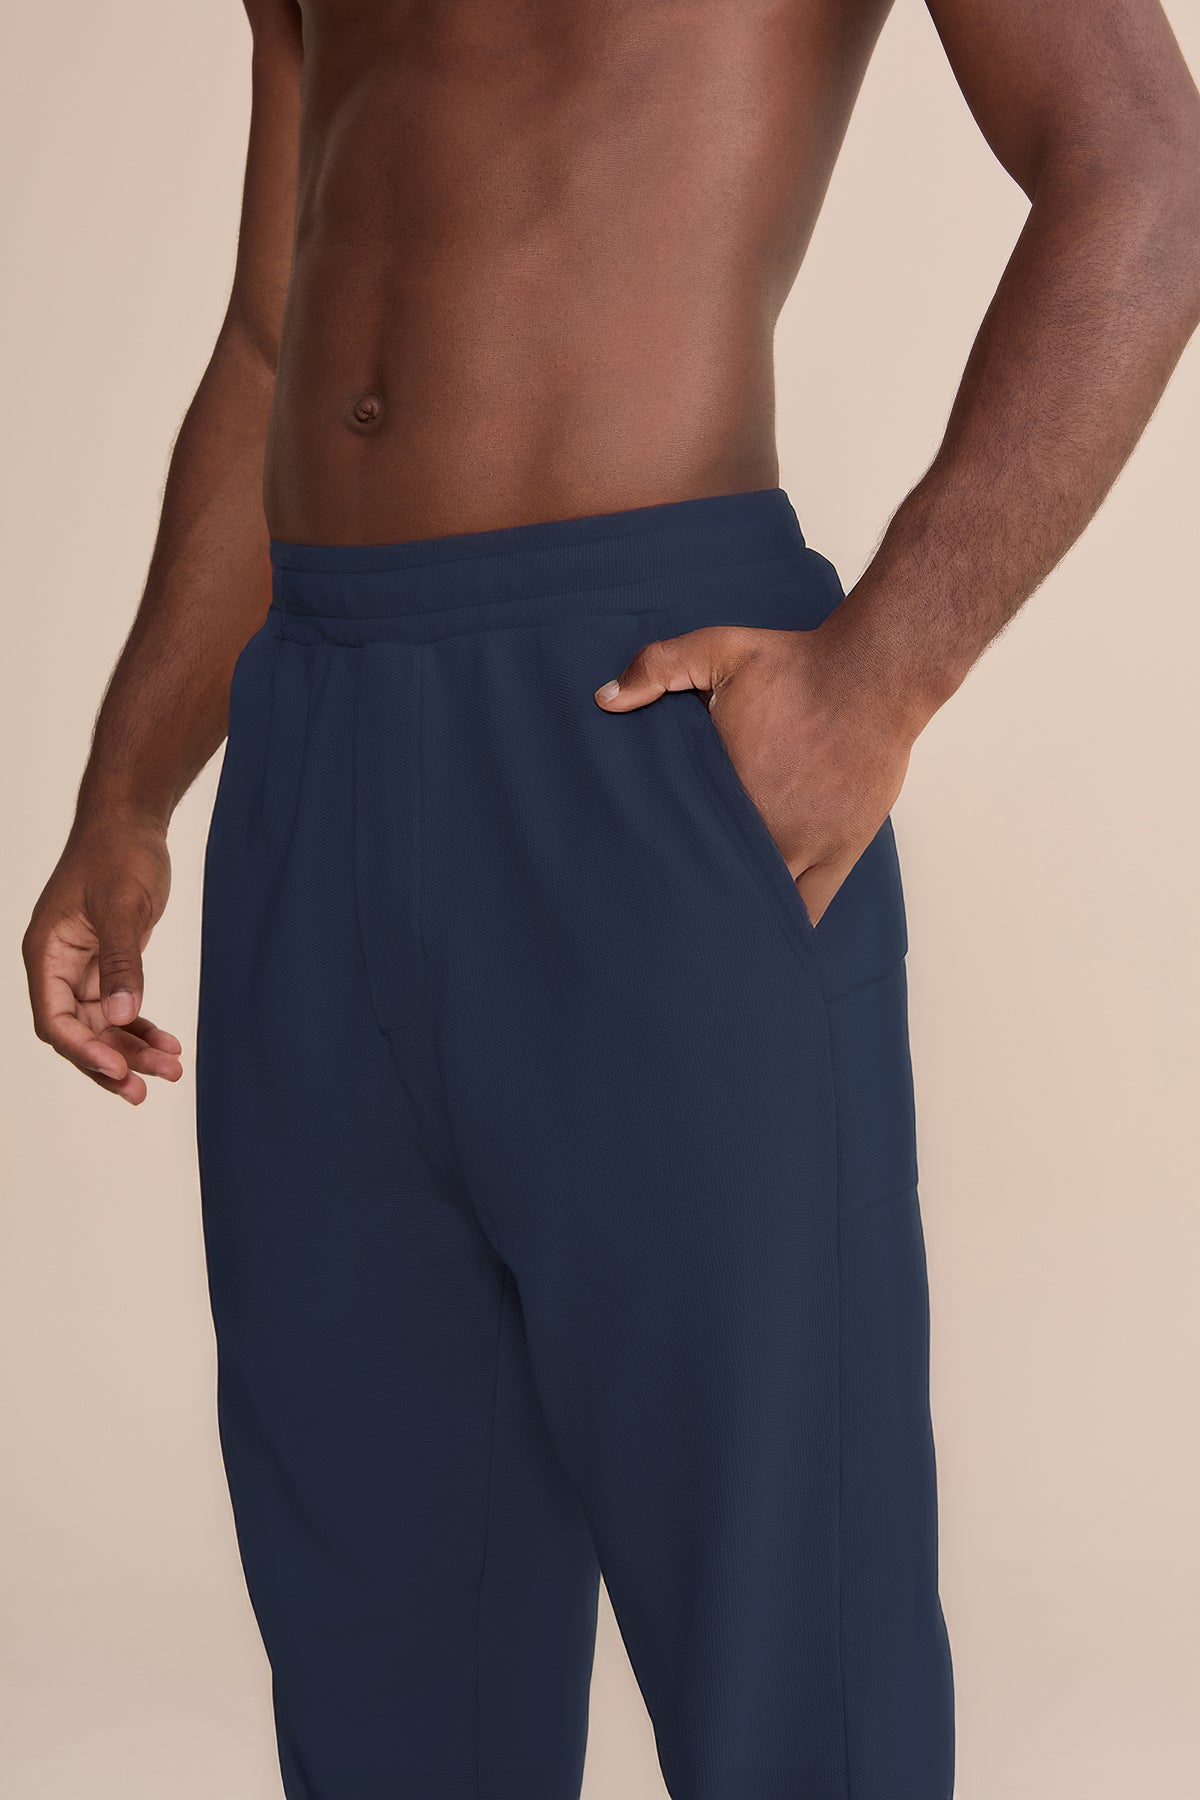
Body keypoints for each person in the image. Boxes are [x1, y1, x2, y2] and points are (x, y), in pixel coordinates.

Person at [22, 1, 1200, 1795]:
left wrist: (881, 679)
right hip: (315, 726)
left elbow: (1150, 169)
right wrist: (125, 793)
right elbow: (273, 327)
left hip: (639, 709)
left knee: (787, 1657)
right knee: (377, 1648)